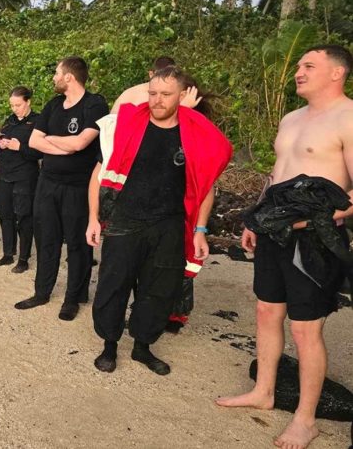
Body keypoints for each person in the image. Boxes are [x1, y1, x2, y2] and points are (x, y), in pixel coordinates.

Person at [216, 45, 353, 449]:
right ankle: (264, 390)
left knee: (305, 329)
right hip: (274, 231)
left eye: (309, 65)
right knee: (265, 311)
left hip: (315, 236)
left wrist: (324, 218)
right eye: (298, 65)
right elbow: (277, 175)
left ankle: (306, 419)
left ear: (337, 73)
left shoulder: (349, 117)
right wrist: (256, 218)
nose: (298, 72)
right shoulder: (291, 118)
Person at [86, 66, 231, 376]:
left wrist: (201, 230)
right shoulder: (124, 126)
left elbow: (205, 188)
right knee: (113, 285)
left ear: (182, 96)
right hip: (125, 219)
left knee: (157, 290)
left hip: (168, 225)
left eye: (166, 94)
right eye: (153, 93)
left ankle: (142, 347)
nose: (157, 100)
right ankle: (109, 345)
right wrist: (93, 219)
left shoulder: (193, 135)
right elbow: (97, 175)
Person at [14, 56, 108, 321]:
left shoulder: (95, 104)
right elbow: (34, 140)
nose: (54, 78)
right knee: (46, 239)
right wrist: (65, 144)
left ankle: (73, 298)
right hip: (48, 183)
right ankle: (41, 292)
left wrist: (54, 140)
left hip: (78, 187)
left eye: (57, 73)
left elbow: (81, 143)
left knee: (78, 245)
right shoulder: (54, 104)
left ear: (69, 76)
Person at [0, 86, 42, 274]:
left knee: (24, 216)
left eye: (18, 105)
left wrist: (19, 147)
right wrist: (1, 145)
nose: (15, 109)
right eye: (12, 105)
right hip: (5, 174)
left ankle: (23, 258)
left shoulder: (37, 122)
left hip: (25, 176)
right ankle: (8, 253)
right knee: (5, 215)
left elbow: (39, 152)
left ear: (28, 102)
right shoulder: (8, 122)